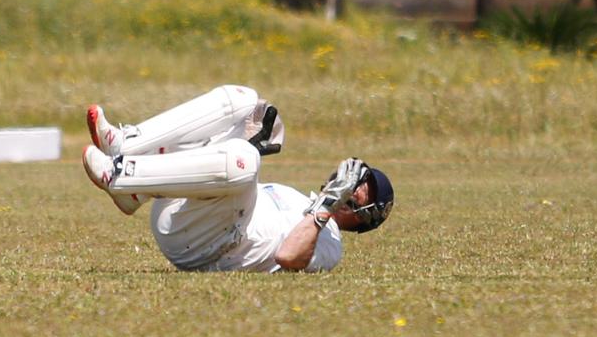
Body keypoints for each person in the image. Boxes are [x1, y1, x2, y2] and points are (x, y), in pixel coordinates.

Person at [80, 84, 393, 273]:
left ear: (362, 218)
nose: (346, 189)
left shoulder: (331, 243)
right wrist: (242, 139)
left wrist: (325, 208)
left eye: (353, 196)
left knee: (244, 160)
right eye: (348, 181)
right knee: (244, 101)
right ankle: (127, 148)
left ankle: (120, 175)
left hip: (210, 246)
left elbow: (288, 257)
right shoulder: (297, 196)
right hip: (188, 213)